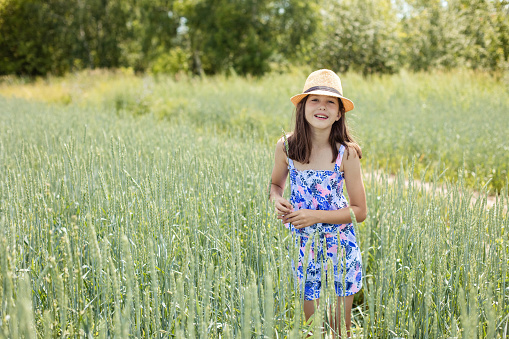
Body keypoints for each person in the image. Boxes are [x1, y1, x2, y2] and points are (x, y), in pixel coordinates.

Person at [269, 69, 366, 337]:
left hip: (340, 248)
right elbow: (276, 185)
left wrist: (315, 215)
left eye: (330, 102)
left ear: (338, 113)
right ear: (302, 108)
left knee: (337, 330)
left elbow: (360, 211)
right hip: (305, 247)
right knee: (313, 330)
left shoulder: (347, 153)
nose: (322, 106)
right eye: (314, 100)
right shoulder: (286, 147)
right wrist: (277, 199)